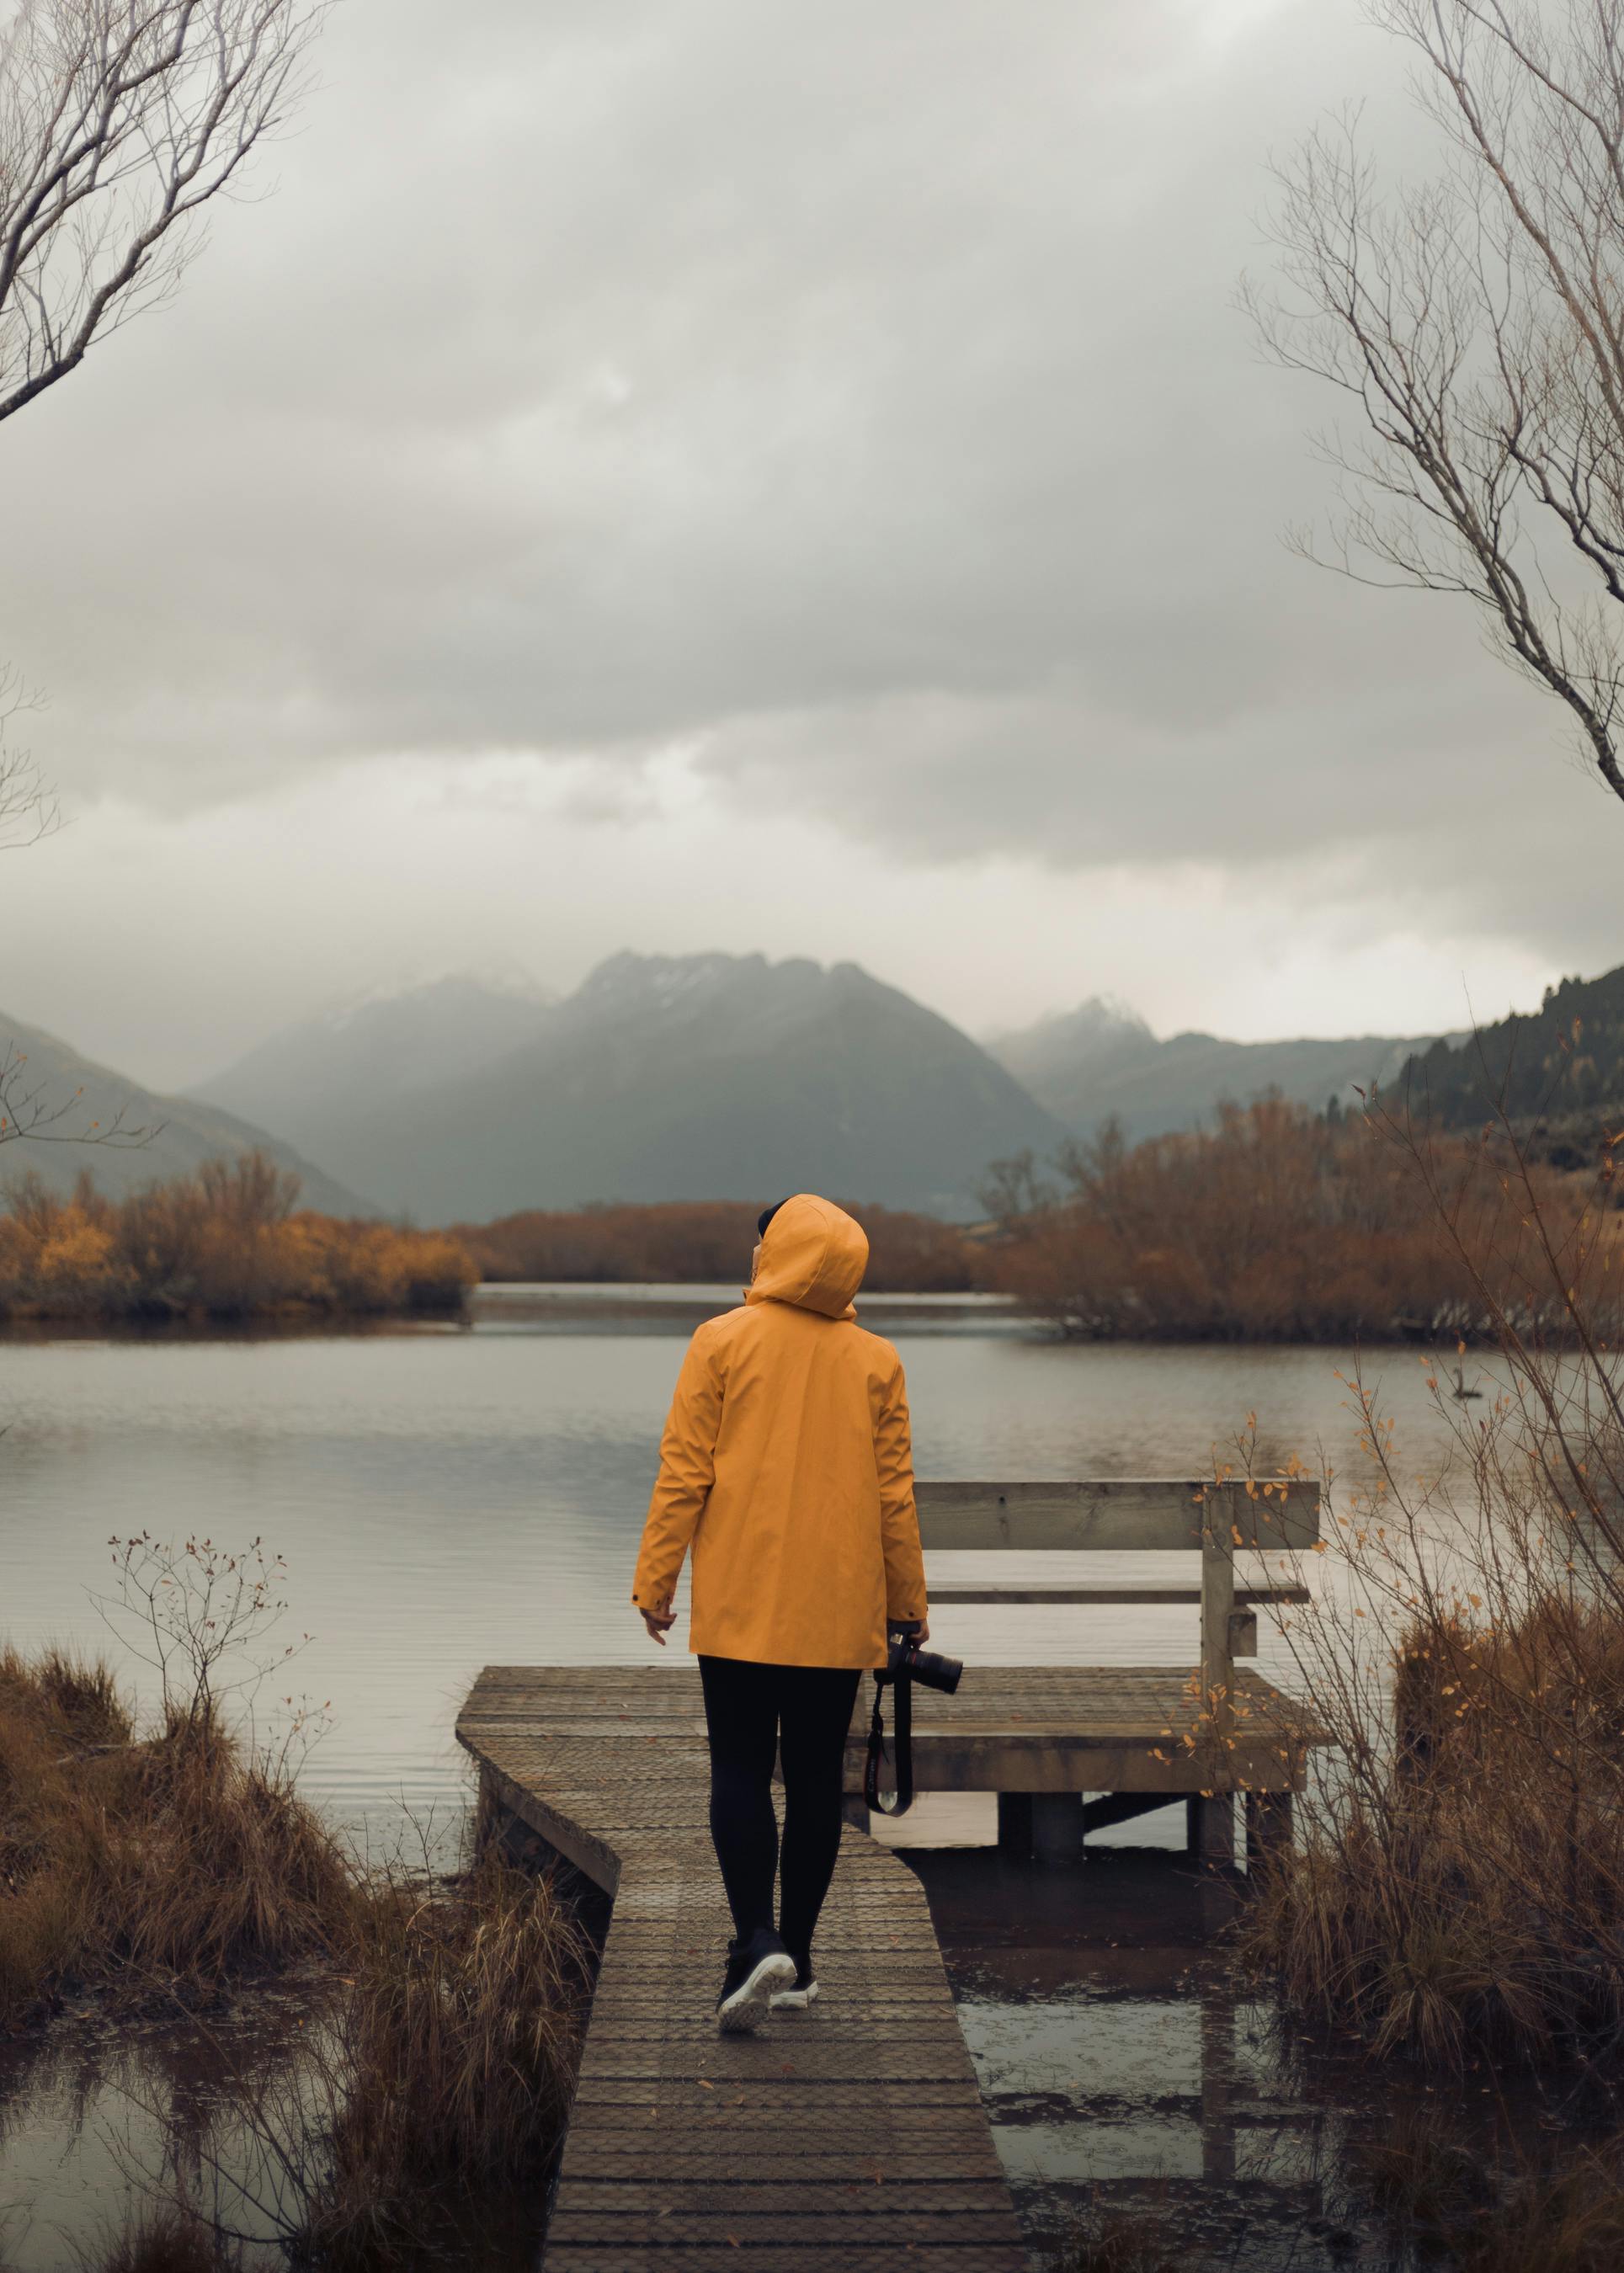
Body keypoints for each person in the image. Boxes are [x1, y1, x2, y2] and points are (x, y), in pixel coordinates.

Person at [631, 1191, 929, 2033]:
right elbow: (893, 1500)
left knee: (737, 1772)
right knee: (812, 1786)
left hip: (740, 1604)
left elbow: (684, 1471)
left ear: (775, 1255)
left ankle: (754, 1940)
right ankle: (796, 1960)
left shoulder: (719, 1341)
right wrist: (907, 1605)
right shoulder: (878, 1361)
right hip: (838, 1616)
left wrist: (657, 1577)